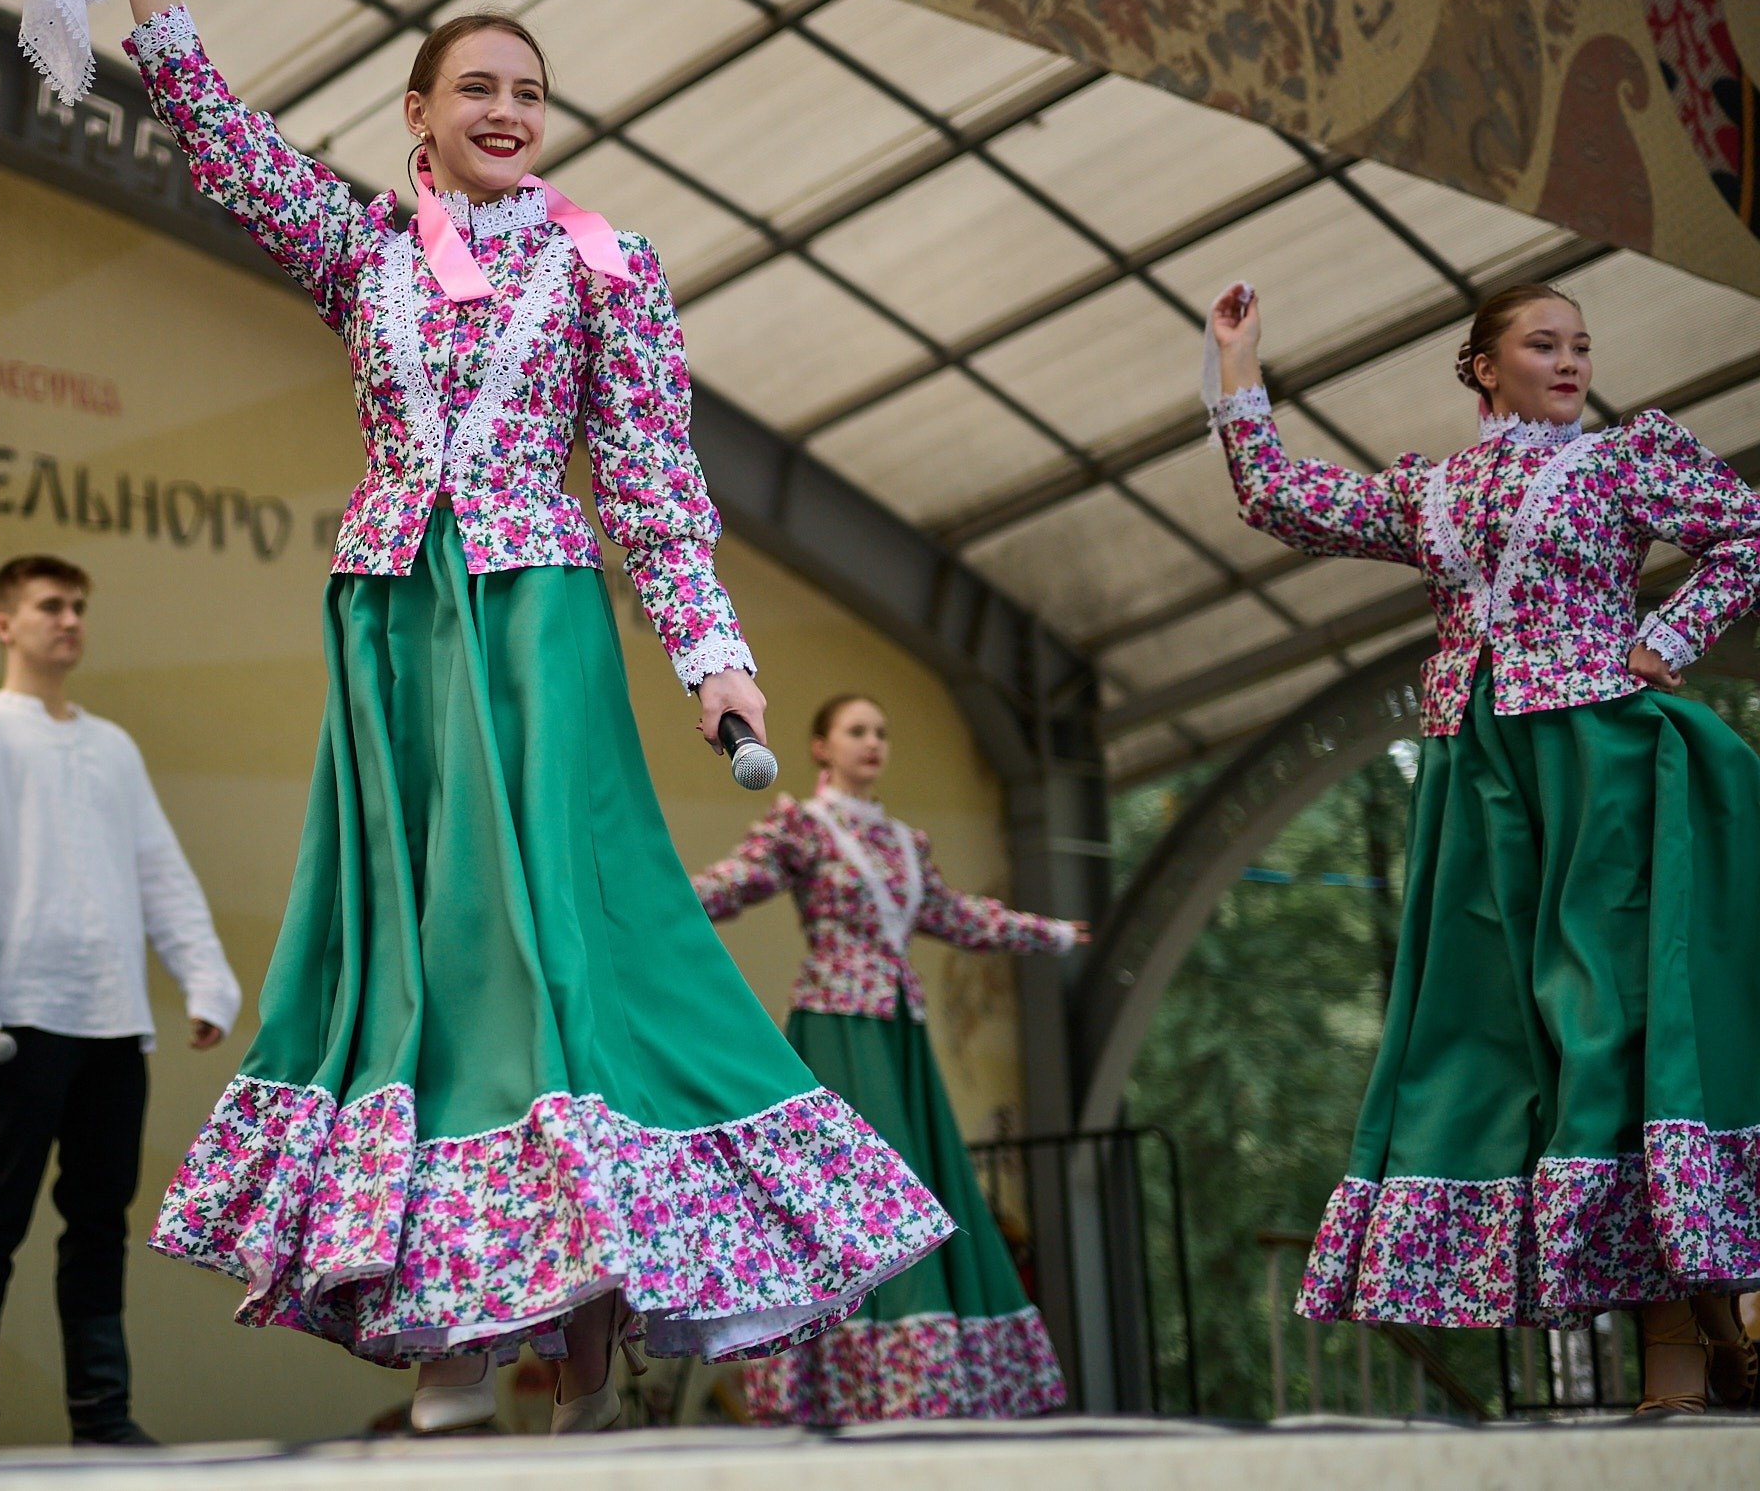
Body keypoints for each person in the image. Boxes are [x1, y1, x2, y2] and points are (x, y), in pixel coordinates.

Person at [69, 0, 951, 1437]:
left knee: (555, 938)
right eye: (477, 86)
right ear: (415, 113)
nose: (508, 109)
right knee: (427, 941)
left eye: (530, 92)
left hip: (539, 618)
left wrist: (716, 660)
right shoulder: (362, 251)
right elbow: (214, 124)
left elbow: (656, 478)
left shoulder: (609, 266)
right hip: (398, 625)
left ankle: (585, 1324)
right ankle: (461, 1322)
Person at [1205, 279, 1760, 1414]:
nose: (1570, 361)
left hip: (1602, 772)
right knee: (1523, 1047)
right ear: (1482, 366)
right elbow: (1278, 498)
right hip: (1481, 788)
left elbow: (1747, 535)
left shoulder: (1622, 460)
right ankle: (1713, 1332)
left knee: (1611, 1028)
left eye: (1580, 345)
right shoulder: (1432, 492)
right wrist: (1237, 365)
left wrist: (1664, 639)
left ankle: (1686, 1350)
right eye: (1542, 344)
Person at [692, 693, 1085, 1421]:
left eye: (881, 731)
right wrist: (658, 897)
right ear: (821, 746)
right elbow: (736, 880)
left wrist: (1049, 933)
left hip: (900, 1031)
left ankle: (922, 1378)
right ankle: (857, 1375)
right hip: (837, 1027)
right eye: (856, 730)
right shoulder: (802, 824)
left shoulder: (907, 842)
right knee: (852, 1193)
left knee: (917, 1186)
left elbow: (955, 914)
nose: (873, 742)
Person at [0, 553, 242, 1451]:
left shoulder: (112, 746)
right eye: (49, 606)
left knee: (100, 1222)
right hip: (20, 1017)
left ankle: (102, 1417)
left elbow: (159, 870)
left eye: (77, 606)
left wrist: (205, 977)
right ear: (4, 624)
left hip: (113, 1020)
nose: (69, 620)